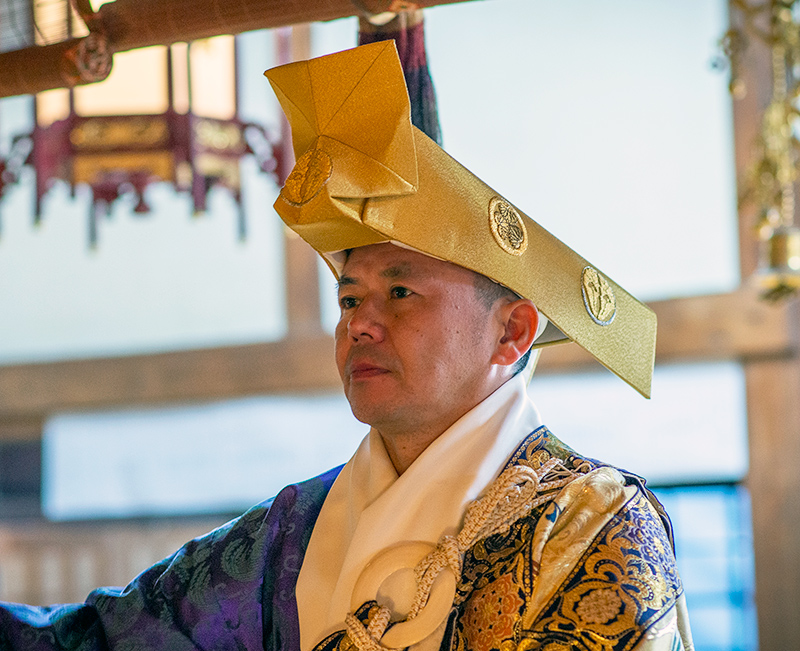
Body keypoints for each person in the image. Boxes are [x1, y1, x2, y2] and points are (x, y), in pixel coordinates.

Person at [0, 42, 693, 651]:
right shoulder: (292, 532)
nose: (360, 323)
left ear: (511, 331)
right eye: (349, 298)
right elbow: (95, 638)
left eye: (400, 293)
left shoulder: (589, 523)